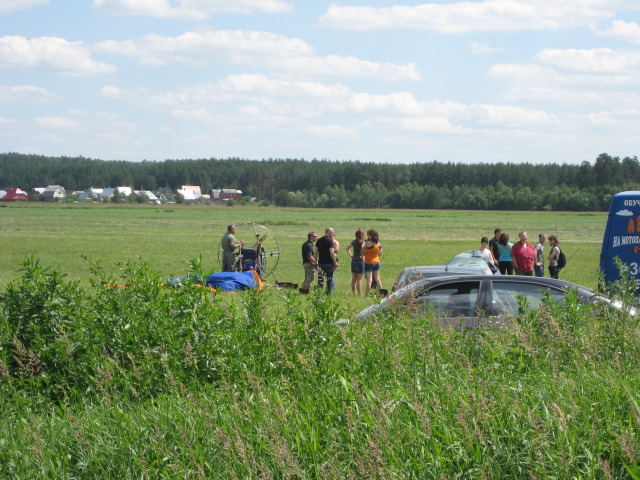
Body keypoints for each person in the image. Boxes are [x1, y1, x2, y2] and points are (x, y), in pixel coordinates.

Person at [315, 227, 338, 295]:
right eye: (332, 232)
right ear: (329, 232)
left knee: (320, 280)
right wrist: (335, 262)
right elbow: (331, 252)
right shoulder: (330, 241)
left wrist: (315, 262)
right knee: (329, 280)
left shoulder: (319, 240)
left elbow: (316, 252)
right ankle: (328, 295)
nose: (333, 234)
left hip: (320, 263)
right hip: (328, 263)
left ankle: (318, 294)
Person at [347, 228, 366, 295]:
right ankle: (359, 294)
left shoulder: (354, 242)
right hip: (360, 261)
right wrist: (363, 256)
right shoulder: (363, 242)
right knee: (359, 280)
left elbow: (347, 248)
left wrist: (351, 255)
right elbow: (363, 249)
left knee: (354, 278)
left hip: (354, 260)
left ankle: (353, 293)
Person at [364, 228, 383, 296]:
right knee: (378, 279)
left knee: (369, 280)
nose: (367, 236)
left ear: (371, 235)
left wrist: (365, 253)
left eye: (368, 234)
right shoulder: (378, 243)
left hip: (369, 262)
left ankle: (366, 295)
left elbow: (362, 250)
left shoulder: (368, 242)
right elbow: (380, 252)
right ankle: (380, 294)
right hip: (377, 262)